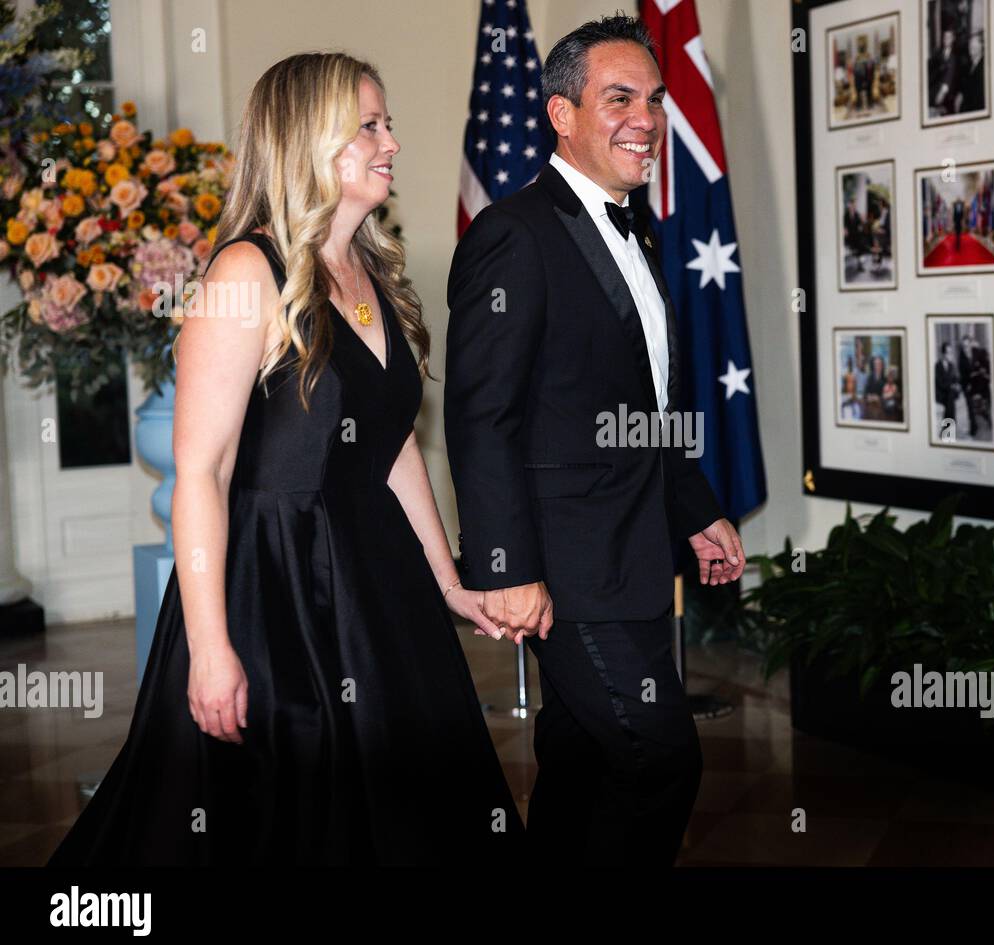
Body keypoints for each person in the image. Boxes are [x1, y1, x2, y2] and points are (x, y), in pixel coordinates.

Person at [47, 53, 524, 865]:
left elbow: (392, 442)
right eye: (370, 125)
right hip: (275, 592)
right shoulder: (245, 272)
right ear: (311, 139)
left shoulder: (370, 267)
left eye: (388, 123)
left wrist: (448, 581)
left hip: (382, 584)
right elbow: (202, 471)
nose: (392, 143)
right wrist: (211, 649)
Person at [444, 14, 744, 867]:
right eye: (619, 98)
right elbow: (481, 415)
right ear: (561, 114)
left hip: (638, 553)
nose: (644, 120)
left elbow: (644, 401)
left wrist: (696, 508)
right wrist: (505, 568)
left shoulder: (636, 227)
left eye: (652, 99)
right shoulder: (513, 235)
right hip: (568, 571)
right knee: (659, 761)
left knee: (580, 761)